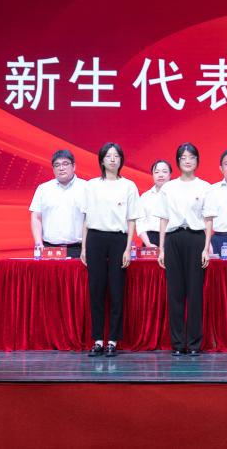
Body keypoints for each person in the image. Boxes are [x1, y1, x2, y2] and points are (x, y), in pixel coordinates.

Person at [79, 142, 143, 357]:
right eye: (108, 156)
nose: (113, 159)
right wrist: (84, 247)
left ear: (121, 160)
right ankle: (98, 340)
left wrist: (128, 248)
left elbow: (132, 219)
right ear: (102, 160)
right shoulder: (91, 186)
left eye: (116, 156)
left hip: (118, 240)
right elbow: (86, 218)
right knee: (96, 290)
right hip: (95, 238)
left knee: (116, 291)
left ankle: (113, 340)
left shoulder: (129, 186)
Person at [157, 143, 211, 356]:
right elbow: (163, 219)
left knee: (195, 293)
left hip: (196, 239)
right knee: (175, 293)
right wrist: (162, 249)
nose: (188, 161)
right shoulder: (168, 188)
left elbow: (208, 221)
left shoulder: (205, 186)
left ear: (197, 161)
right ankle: (178, 344)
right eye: (183, 157)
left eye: (192, 157)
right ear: (178, 161)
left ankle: (194, 344)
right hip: (173, 239)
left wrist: (206, 248)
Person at [29, 149, 86, 258]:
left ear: (74, 166)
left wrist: (86, 248)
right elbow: (36, 217)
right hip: (49, 249)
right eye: (57, 165)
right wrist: (38, 243)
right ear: (53, 169)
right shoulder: (43, 189)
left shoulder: (86, 188)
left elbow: (91, 219)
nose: (61, 168)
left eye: (65, 164)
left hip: (79, 249)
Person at [203, 149, 227, 257]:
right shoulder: (212, 190)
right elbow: (205, 218)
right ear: (221, 168)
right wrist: (208, 244)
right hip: (218, 239)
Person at [137, 160, 172, 248]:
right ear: (152, 175)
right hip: (150, 239)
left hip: (172, 238)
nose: (160, 175)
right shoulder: (145, 197)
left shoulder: (176, 195)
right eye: (156, 172)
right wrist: (148, 243)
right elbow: (140, 222)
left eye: (164, 171)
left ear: (170, 175)